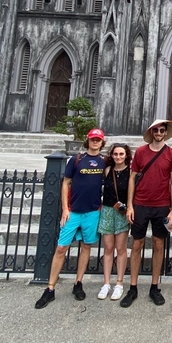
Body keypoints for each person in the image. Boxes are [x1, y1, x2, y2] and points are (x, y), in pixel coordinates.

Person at [34, 128, 106, 309]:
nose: (95, 142)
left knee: (86, 247)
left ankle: (78, 283)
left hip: (92, 211)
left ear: (102, 142)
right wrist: (65, 208)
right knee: (61, 248)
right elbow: (66, 183)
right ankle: (50, 288)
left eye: (98, 140)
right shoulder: (76, 160)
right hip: (73, 211)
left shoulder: (104, 162)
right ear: (88, 141)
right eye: (93, 139)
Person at [121, 119, 172, 308]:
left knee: (158, 244)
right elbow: (132, 178)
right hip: (140, 204)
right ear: (151, 131)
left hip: (161, 205)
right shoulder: (140, 152)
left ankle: (155, 286)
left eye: (162, 130)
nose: (159, 132)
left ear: (165, 132)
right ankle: (133, 287)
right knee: (137, 244)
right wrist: (129, 206)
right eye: (156, 129)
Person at [98, 143, 132, 301]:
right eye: (115, 154)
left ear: (126, 155)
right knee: (108, 248)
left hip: (122, 213)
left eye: (121, 154)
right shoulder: (107, 170)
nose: (118, 157)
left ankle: (119, 283)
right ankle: (106, 283)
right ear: (111, 155)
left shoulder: (131, 172)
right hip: (107, 211)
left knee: (121, 248)